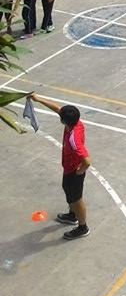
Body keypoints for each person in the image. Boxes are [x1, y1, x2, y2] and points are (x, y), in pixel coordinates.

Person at [26, 95, 91, 239]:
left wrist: (79, 172)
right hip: (69, 169)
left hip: (73, 171)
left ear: (63, 121)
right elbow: (57, 108)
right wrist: (39, 100)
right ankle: (72, 215)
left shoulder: (73, 139)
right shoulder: (76, 122)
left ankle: (82, 227)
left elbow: (87, 161)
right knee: (69, 193)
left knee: (76, 199)